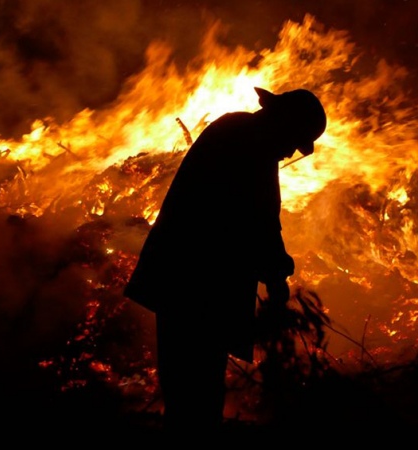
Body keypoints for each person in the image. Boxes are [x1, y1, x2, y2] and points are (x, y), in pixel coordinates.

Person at [123, 86, 327, 432]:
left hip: (181, 279)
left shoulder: (239, 133)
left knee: (186, 388)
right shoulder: (250, 144)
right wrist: (277, 278)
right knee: (198, 390)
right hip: (197, 285)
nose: (291, 151)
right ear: (284, 122)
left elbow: (257, 220)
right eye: (296, 139)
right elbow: (258, 220)